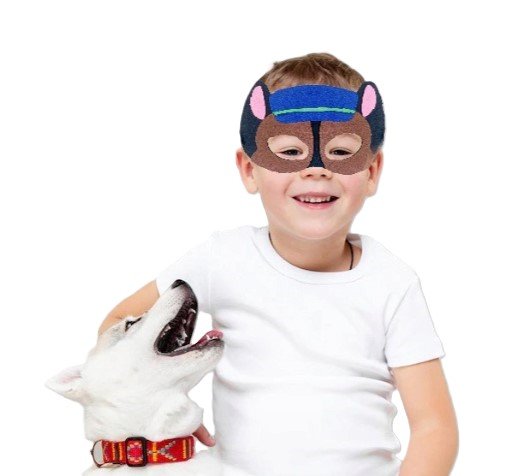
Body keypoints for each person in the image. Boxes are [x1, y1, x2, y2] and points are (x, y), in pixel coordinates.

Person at [97, 52, 458, 476]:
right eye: (290, 151)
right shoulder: (221, 259)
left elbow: (434, 426)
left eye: (341, 151)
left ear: (372, 171)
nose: (317, 169)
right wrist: (164, 401)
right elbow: (118, 325)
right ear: (249, 170)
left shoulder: (392, 283)